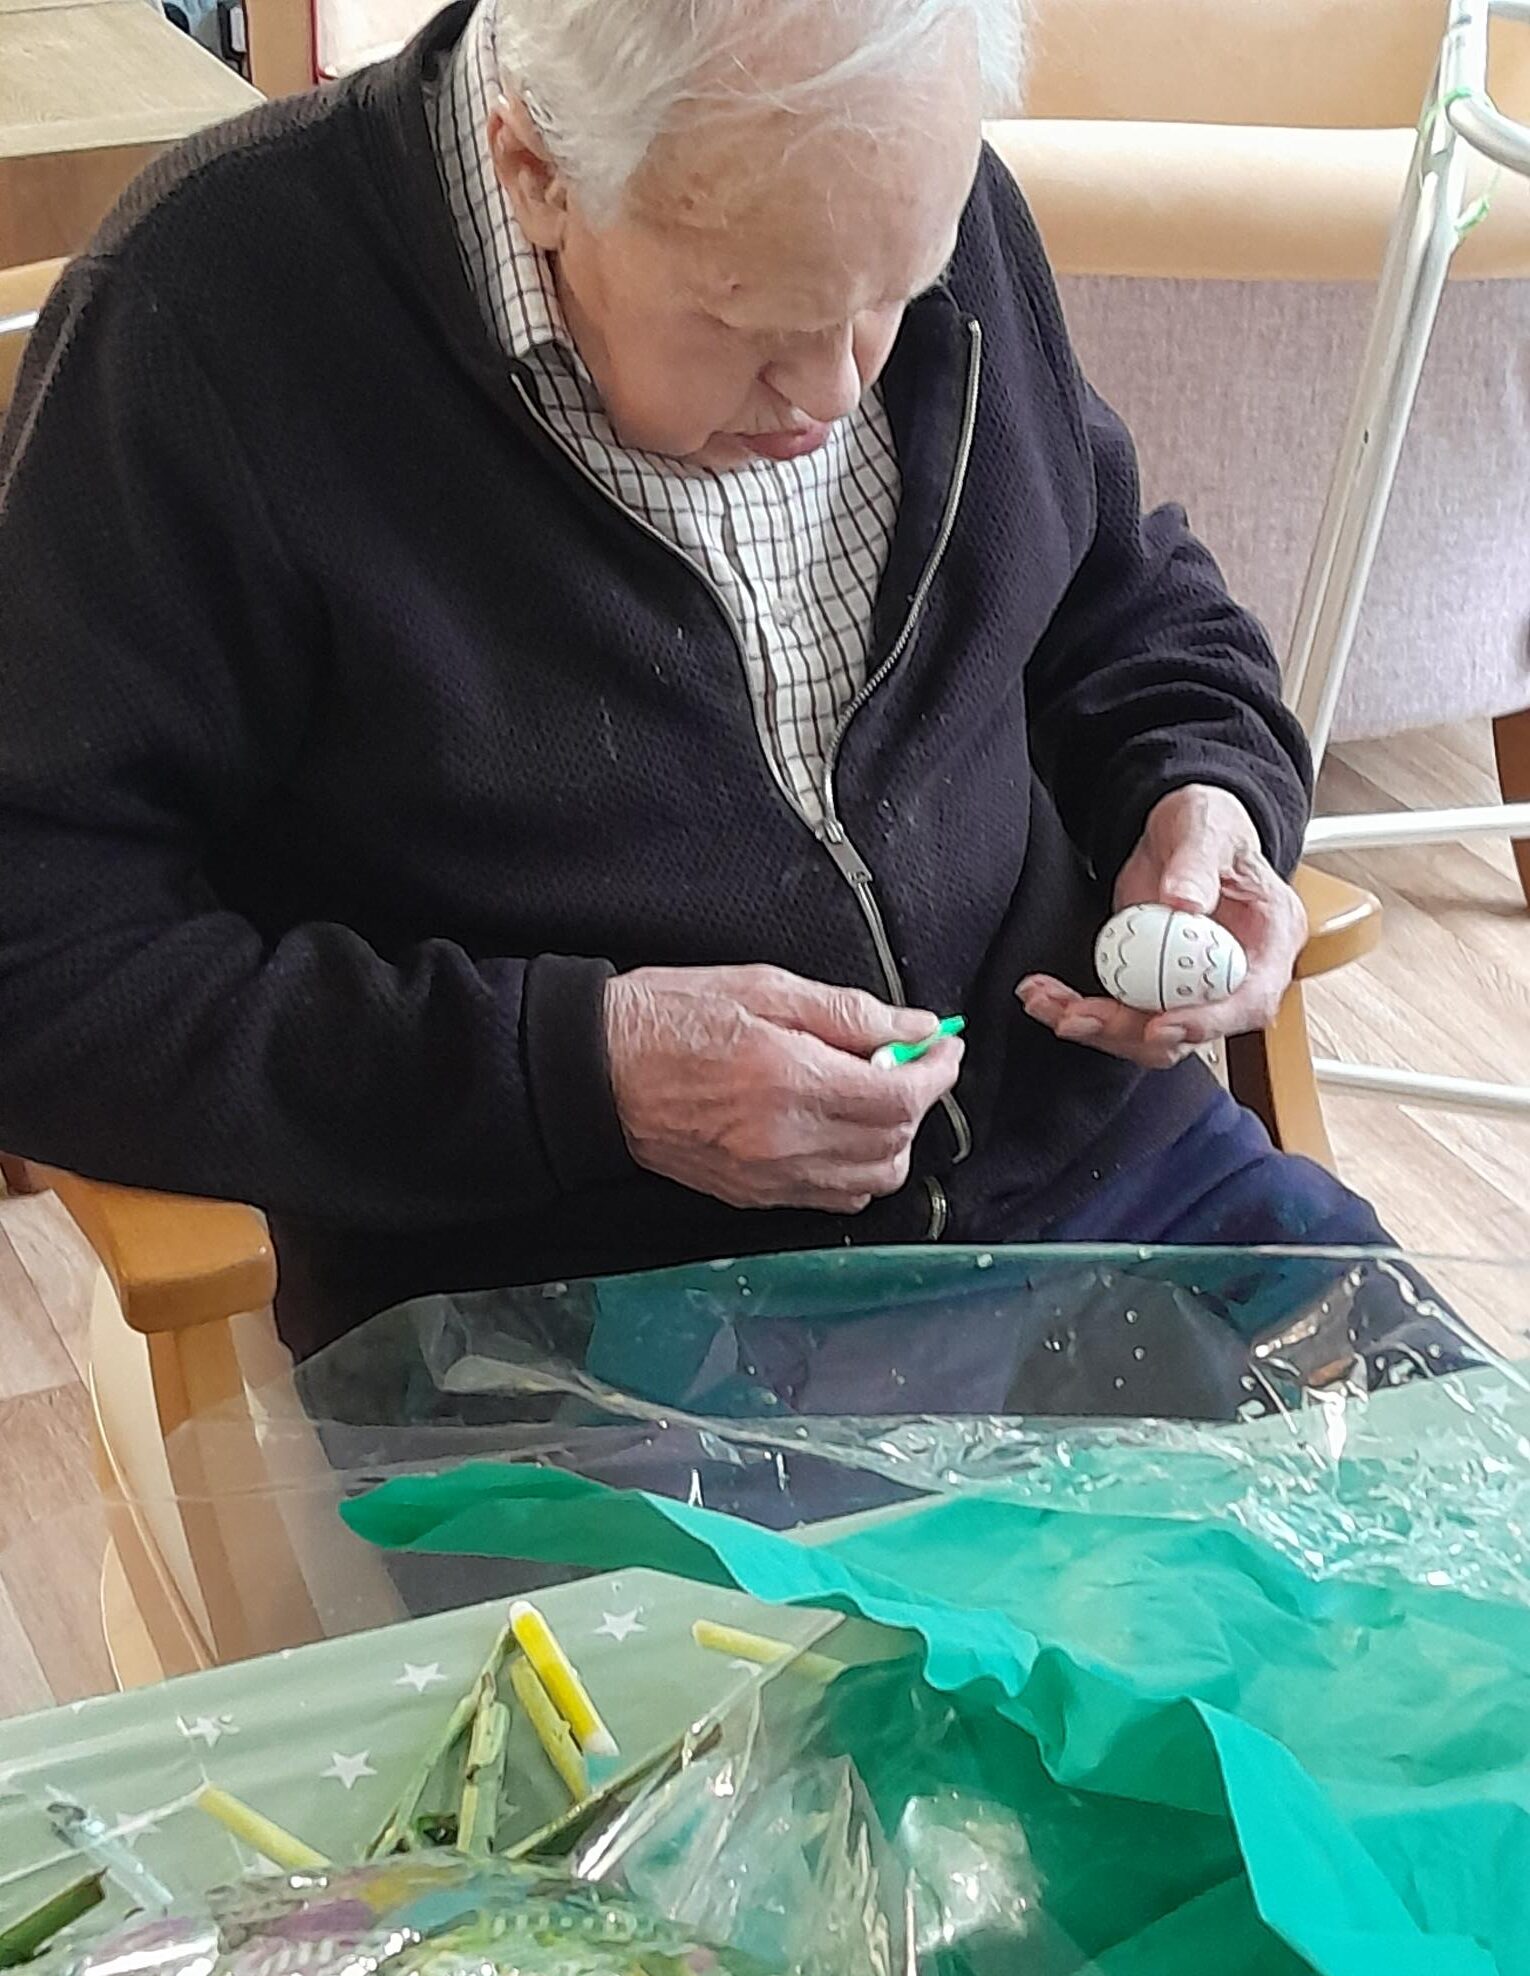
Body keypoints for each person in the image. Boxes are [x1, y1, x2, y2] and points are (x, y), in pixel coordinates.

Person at [0, 0, 1398, 1369]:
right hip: (572, 1328)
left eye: (890, 301)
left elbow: (1120, 594)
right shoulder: (212, 320)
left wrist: (1203, 790)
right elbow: (37, 953)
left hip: (1106, 1183)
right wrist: (575, 1075)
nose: (840, 387)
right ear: (534, 170)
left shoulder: (900, 192)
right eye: (754, 320)